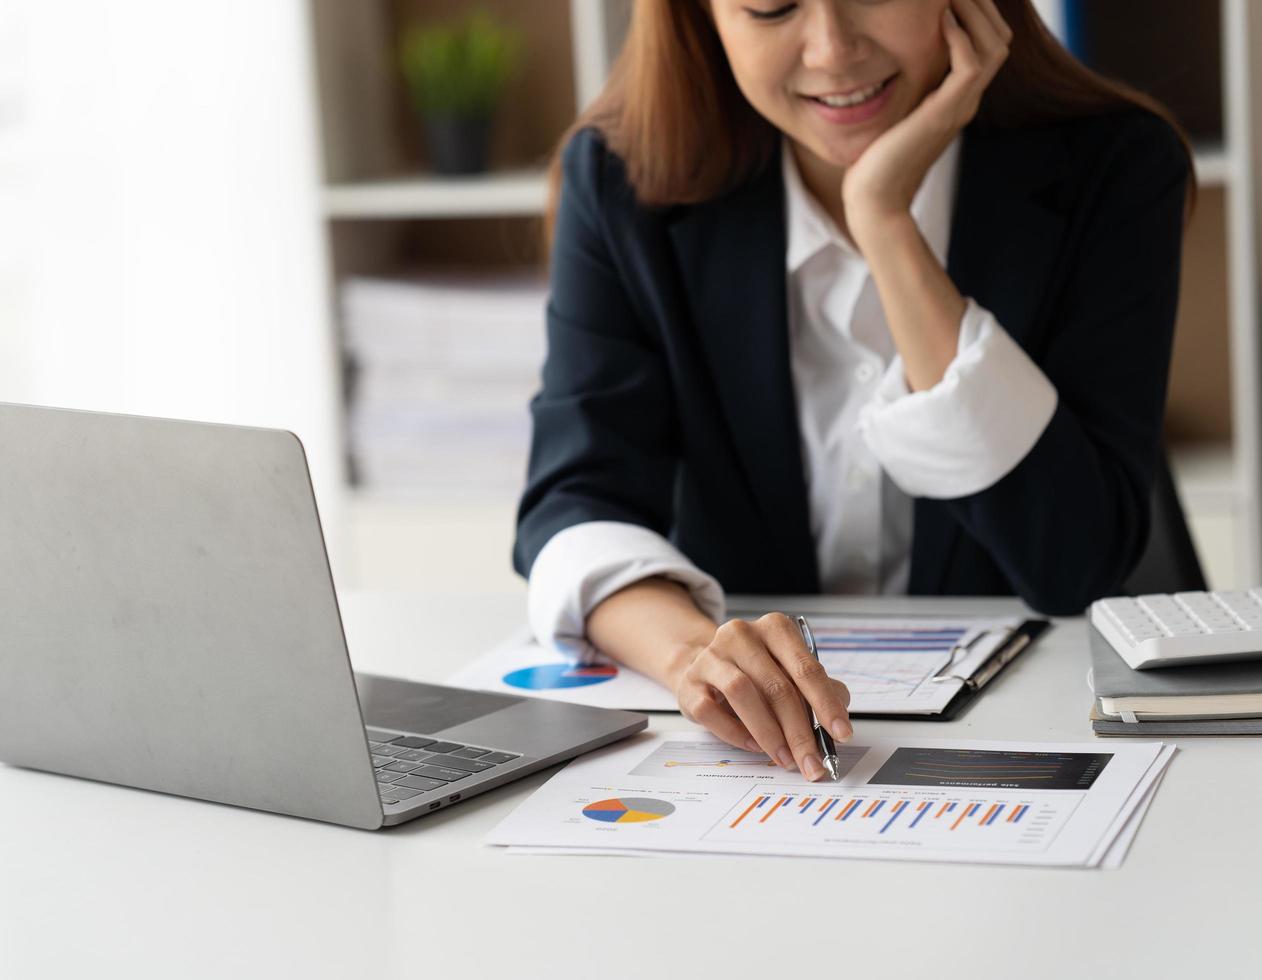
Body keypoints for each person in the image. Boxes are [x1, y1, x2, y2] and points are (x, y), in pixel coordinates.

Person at [512, 0, 1194, 781]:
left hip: (1025, 746)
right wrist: (695, 654)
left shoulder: (1114, 166)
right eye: (770, 7)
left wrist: (884, 221)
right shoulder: (621, 181)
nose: (833, 52)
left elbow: (1076, 563)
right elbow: (573, 503)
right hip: (759, 769)